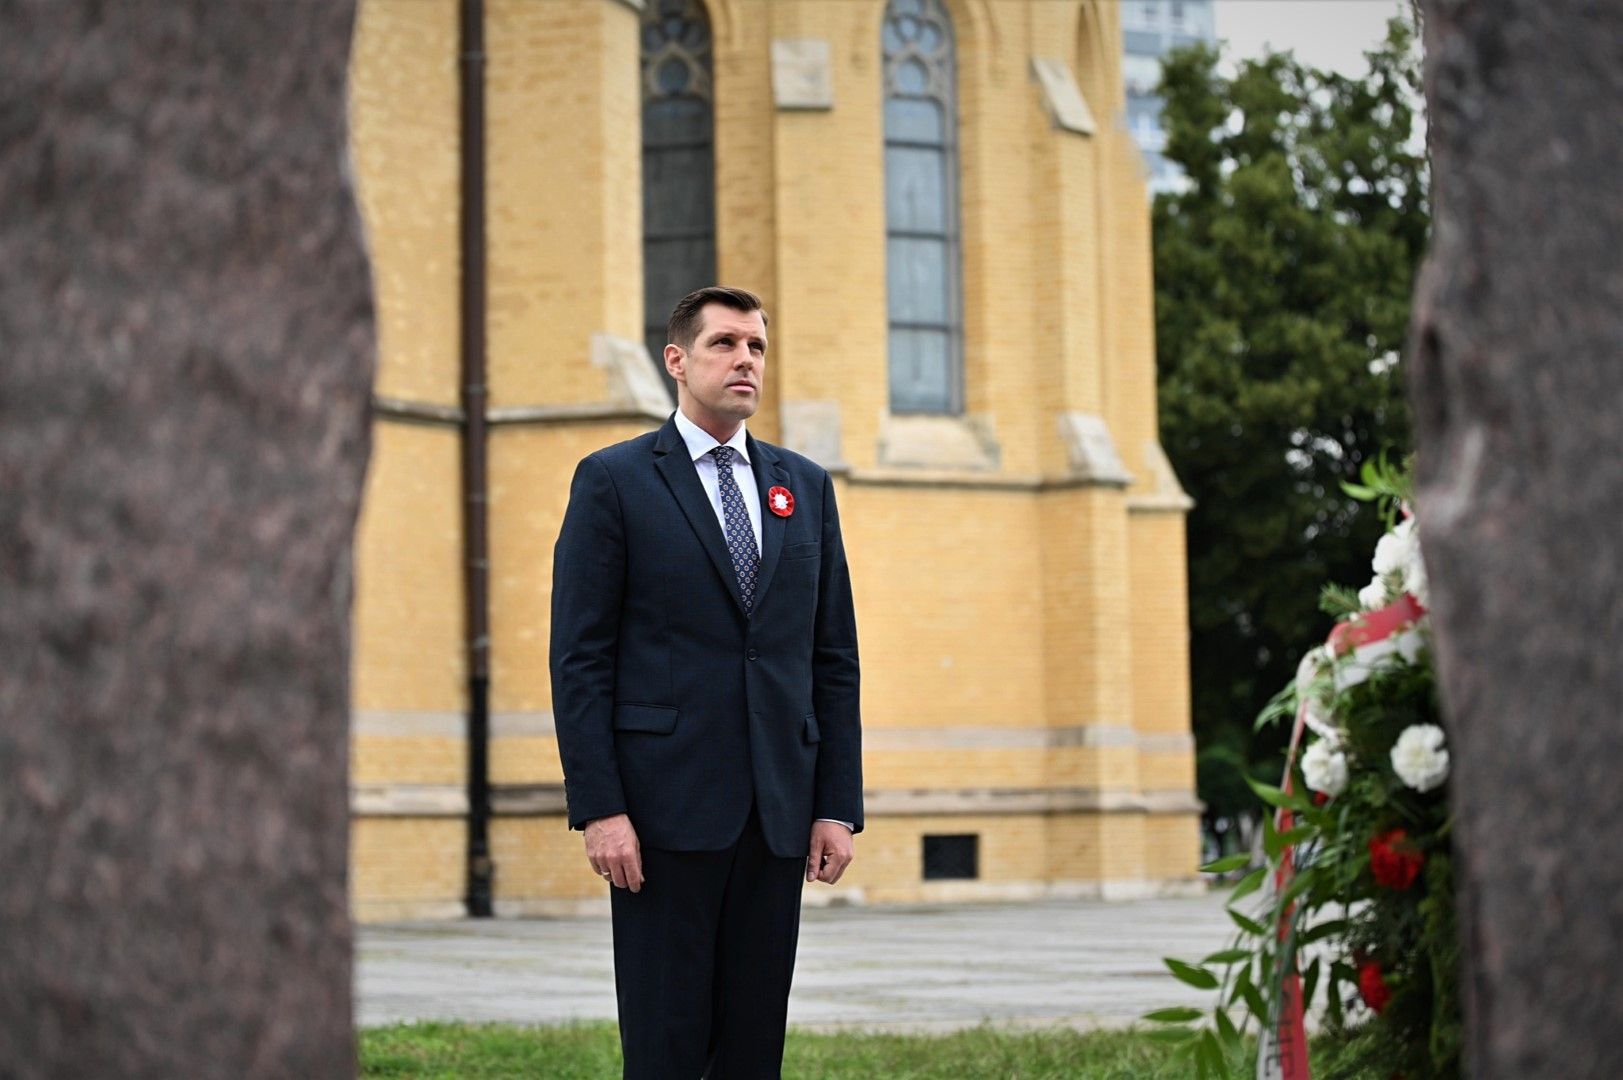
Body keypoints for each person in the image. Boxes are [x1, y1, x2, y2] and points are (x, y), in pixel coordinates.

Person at [550, 285, 863, 1079]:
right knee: (665, 1043)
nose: (744, 360)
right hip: (661, 813)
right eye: (724, 344)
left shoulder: (804, 487)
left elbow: (831, 658)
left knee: (753, 1048)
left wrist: (834, 805)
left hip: (776, 813)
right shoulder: (615, 480)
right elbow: (580, 658)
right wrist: (601, 808)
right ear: (677, 361)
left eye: (756, 346)